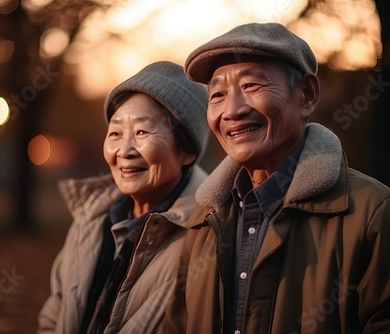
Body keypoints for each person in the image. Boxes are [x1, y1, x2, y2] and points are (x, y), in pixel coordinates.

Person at [163, 22, 390, 333]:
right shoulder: (202, 220)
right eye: (217, 94)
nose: (231, 110)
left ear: (307, 95)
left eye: (252, 86)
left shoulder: (372, 213)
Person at [38, 61, 210, 333]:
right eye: (115, 133)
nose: (125, 150)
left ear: (187, 151)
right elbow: (53, 317)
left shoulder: (205, 238)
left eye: (142, 132)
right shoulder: (90, 219)